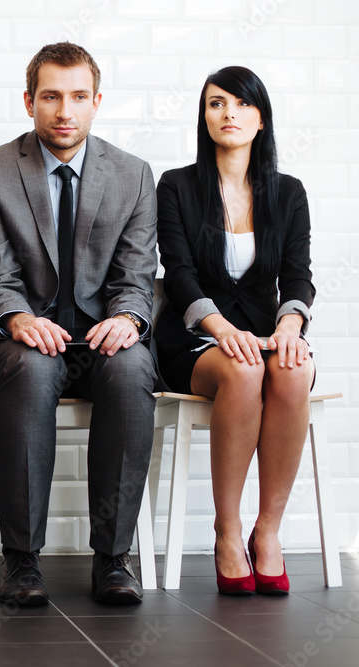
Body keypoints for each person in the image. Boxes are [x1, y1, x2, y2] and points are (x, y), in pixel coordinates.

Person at [0, 42, 158, 606]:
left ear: (97, 102)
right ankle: (22, 561)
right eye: (51, 96)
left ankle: (113, 559)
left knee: (131, 368)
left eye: (77, 97)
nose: (64, 111)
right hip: (16, 340)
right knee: (31, 368)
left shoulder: (133, 175)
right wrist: (19, 317)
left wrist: (128, 317)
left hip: (101, 339)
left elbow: (137, 274)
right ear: (29, 101)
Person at [155, 66, 315, 596]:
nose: (229, 114)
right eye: (216, 104)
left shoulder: (289, 193)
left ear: (261, 118)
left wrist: (290, 323)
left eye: (242, 104)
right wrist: (220, 327)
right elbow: (176, 272)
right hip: (196, 337)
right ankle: (227, 530)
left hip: (264, 335)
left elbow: (297, 276)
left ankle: (267, 531)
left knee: (294, 371)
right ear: (203, 117)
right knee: (244, 370)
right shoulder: (177, 185)